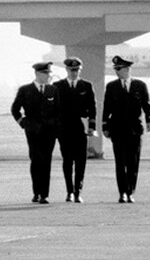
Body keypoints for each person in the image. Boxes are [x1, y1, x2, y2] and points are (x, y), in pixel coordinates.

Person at [102, 55, 150, 203]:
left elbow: (147, 105)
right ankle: (122, 193)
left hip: (135, 130)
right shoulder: (112, 87)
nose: (117, 72)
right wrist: (104, 125)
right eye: (115, 69)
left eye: (119, 69)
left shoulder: (140, 86)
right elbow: (107, 107)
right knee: (120, 162)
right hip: (117, 129)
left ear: (127, 69)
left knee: (133, 162)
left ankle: (130, 191)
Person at [11, 61, 59, 203]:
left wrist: (56, 128)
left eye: (49, 73)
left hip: (49, 132)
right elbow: (15, 109)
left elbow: (58, 111)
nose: (49, 75)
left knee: (47, 162)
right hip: (33, 131)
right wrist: (23, 123)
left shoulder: (53, 90)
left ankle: (45, 194)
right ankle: (37, 192)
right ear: (37, 74)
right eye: (46, 73)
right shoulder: (25, 90)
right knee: (36, 160)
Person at [53, 56, 96, 202]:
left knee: (81, 161)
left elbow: (92, 108)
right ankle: (69, 191)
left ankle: (78, 191)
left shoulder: (86, 86)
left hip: (79, 127)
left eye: (76, 70)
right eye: (71, 70)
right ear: (66, 70)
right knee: (67, 160)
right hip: (64, 129)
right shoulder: (57, 86)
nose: (74, 73)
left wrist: (92, 127)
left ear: (80, 70)